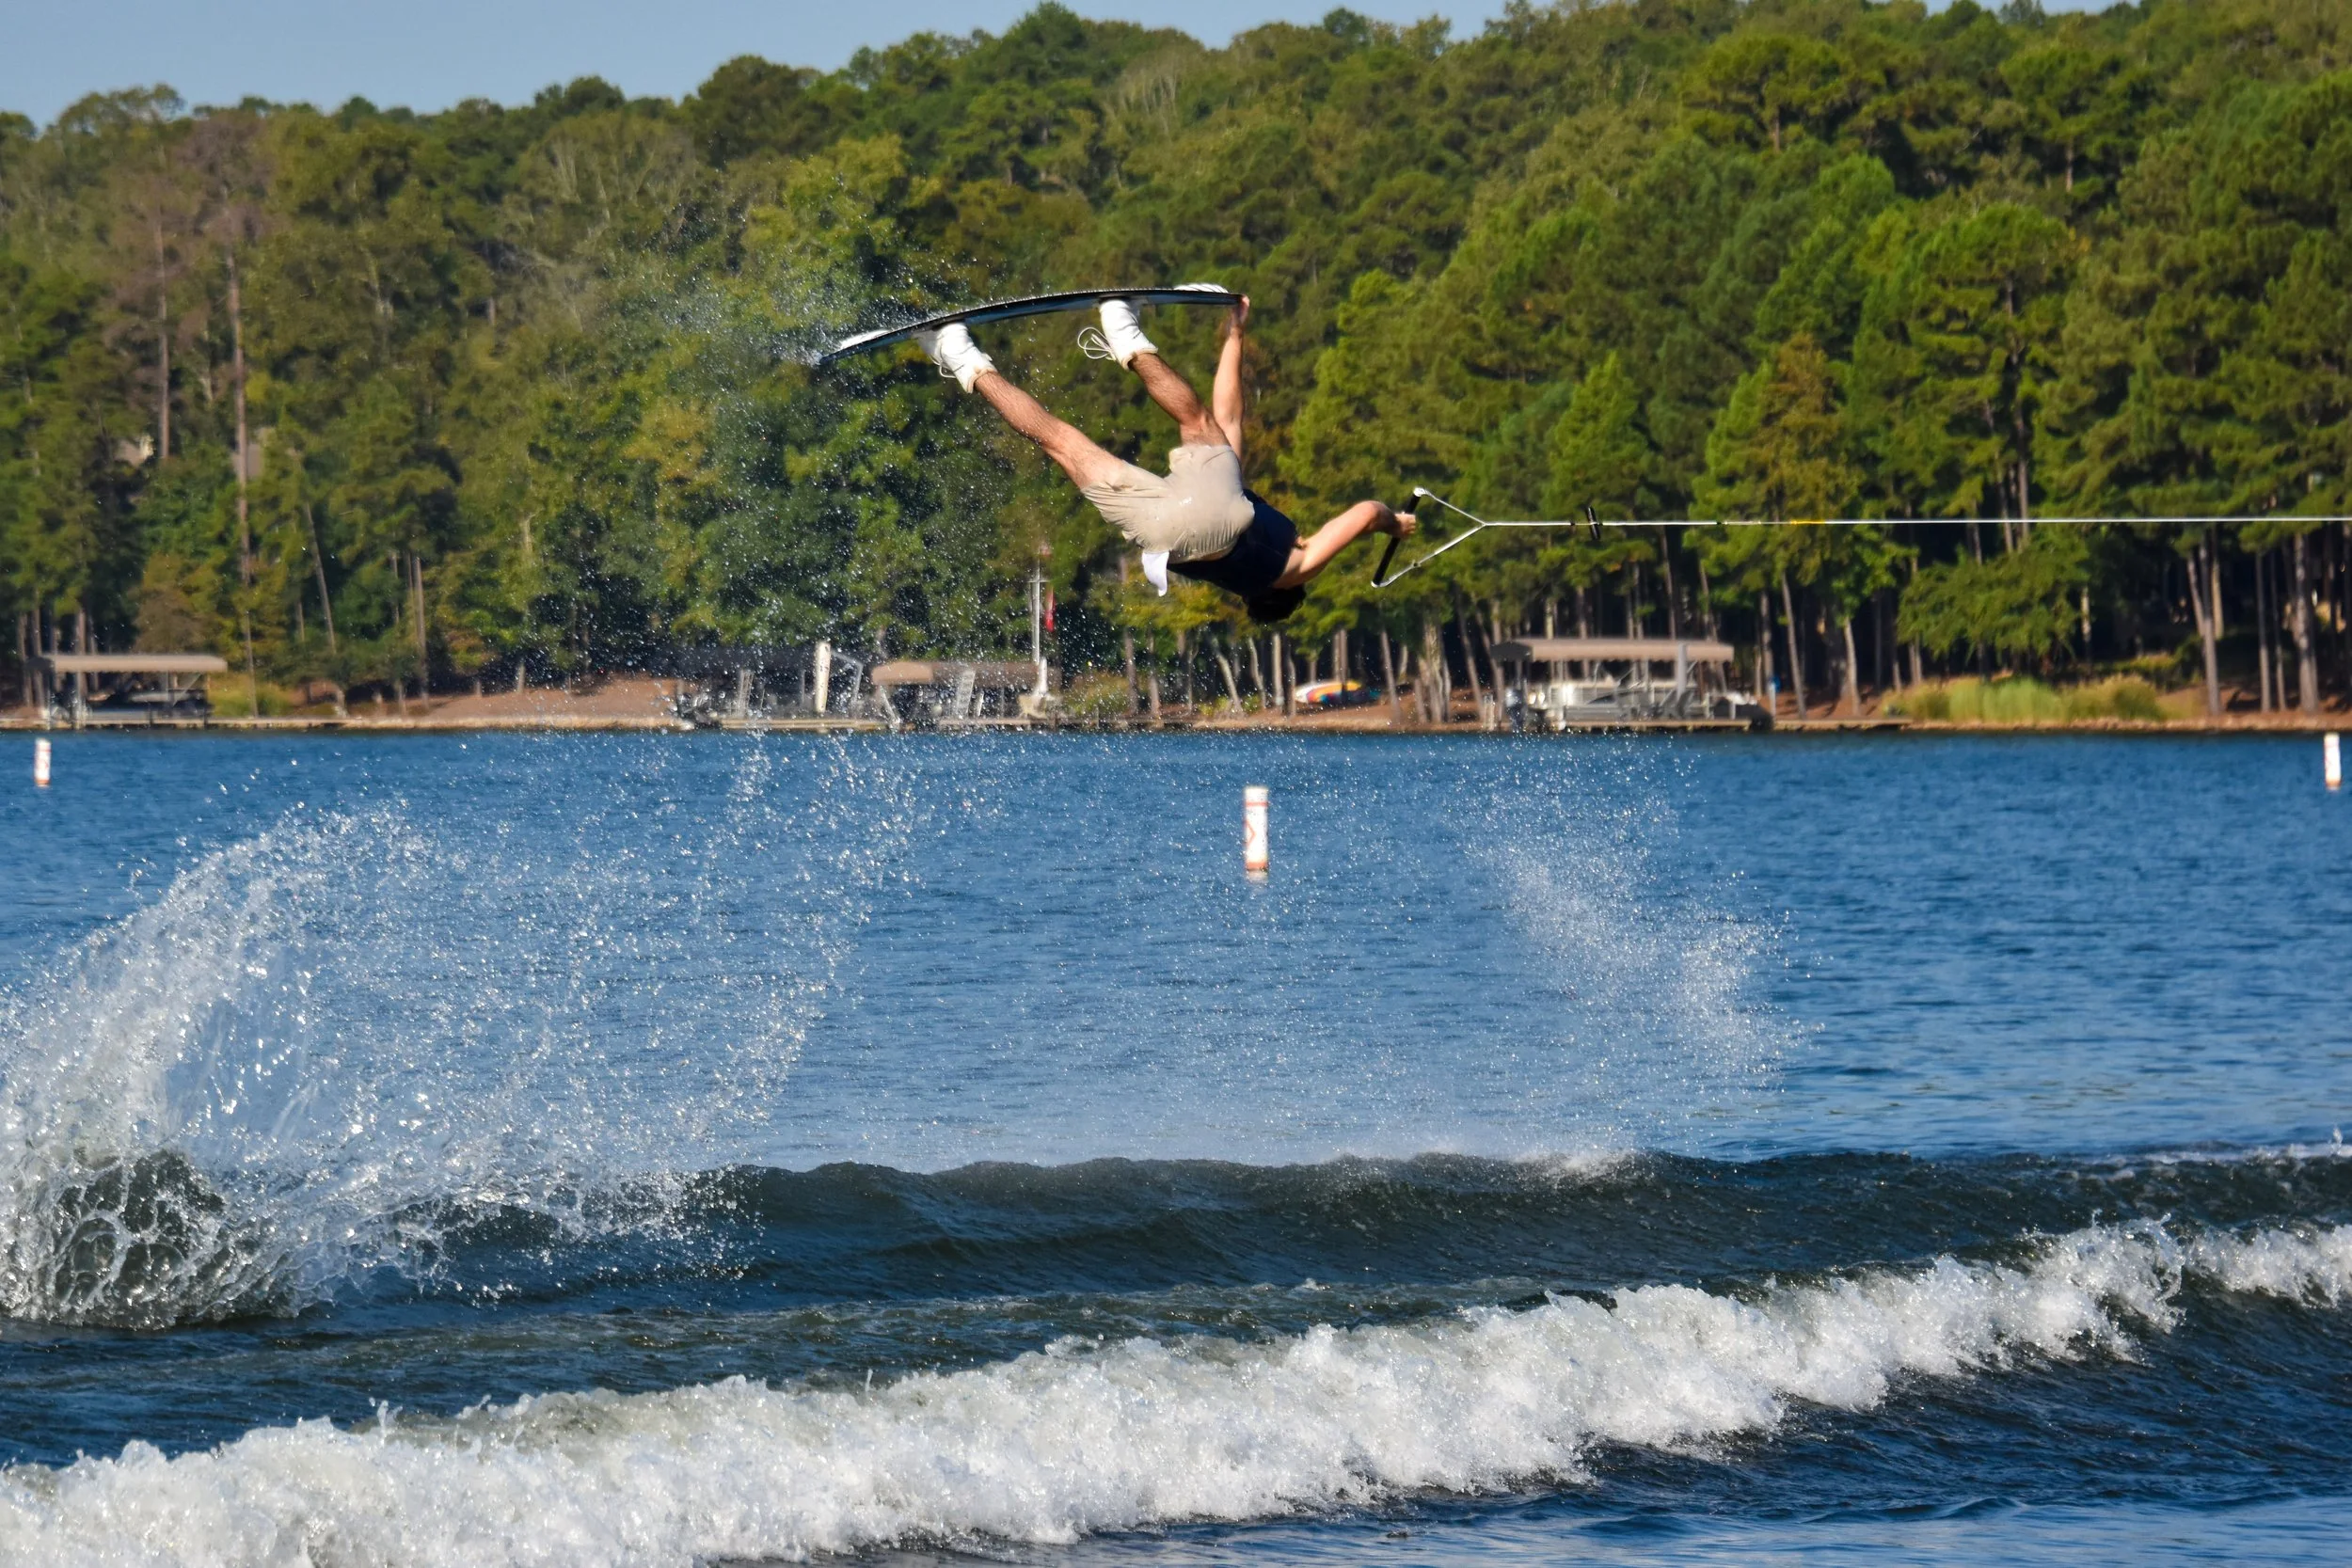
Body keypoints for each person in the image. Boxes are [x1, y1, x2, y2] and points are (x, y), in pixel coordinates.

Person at [918, 291, 1414, 623]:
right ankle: (961, 355)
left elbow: (1366, 512)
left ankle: (1124, 332)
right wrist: (1235, 336)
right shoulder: (1234, 571)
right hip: (1163, 534)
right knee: (1058, 441)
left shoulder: (1293, 571)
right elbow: (1233, 415)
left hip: (1215, 517)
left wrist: (1394, 524)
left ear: (1281, 594)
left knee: (1197, 422)